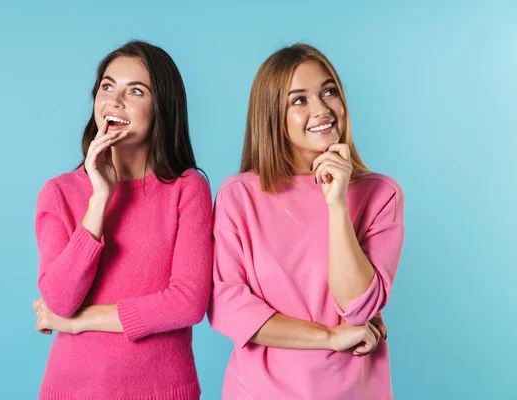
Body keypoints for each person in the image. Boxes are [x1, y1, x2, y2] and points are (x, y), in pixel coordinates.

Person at [208, 43, 405, 399]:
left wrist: (337, 205)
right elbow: (228, 306)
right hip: (258, 391)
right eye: (298, 100)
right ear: (272, 116)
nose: (321, 108)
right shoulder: (239, 196)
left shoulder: (381, 194)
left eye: (329, 91)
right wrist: (328, 336)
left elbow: (359, 305)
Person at [32, 40, 212, 400]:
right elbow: (59, 301)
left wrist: (78, 322)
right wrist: (99, 200)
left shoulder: (187, 188)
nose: (115, 101)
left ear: (162, 107)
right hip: (72, 388)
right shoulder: (60, 192)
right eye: (107, 87)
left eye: (136, 91)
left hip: (163, 390)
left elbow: (188, 302)